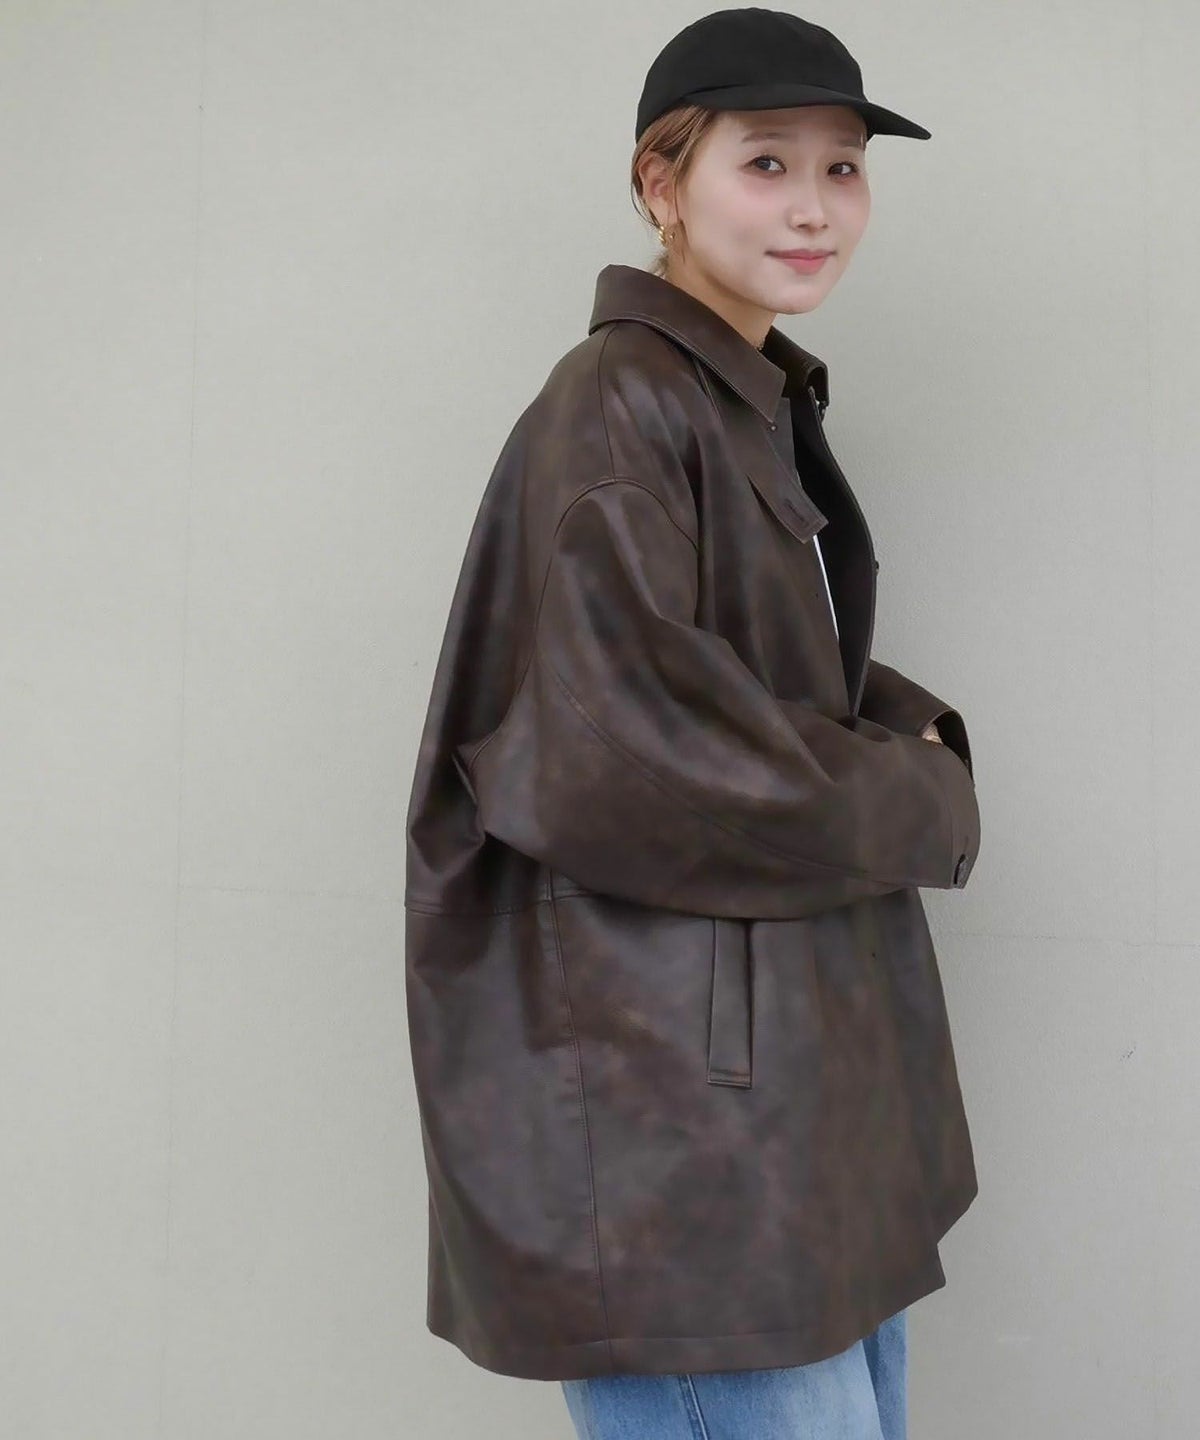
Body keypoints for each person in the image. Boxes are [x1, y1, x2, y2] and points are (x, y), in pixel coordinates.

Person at [403, 10, 981, 1439]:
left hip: (771, 1104)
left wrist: (896, 726)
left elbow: (740, 682)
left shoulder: (729, 398)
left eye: (842, 168)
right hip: (682, 1133)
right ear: (662, 185)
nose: (813, 207)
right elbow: (629, 754)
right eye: (766, 162)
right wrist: (922, 794)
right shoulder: (622, 409)